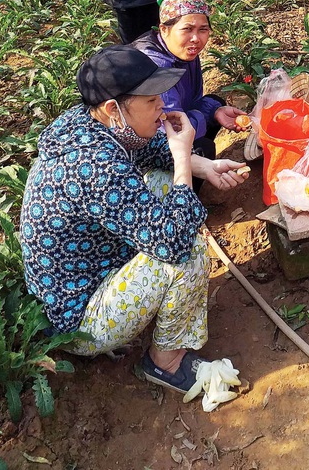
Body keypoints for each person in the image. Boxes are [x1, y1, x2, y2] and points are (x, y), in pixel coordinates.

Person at [20, 46, 249, 393]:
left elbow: (152, 150)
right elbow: (173, 239)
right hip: (79, 318)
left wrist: (207, 166)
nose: (162, 108)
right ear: (115, 108)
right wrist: (184, 158)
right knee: (186, 250)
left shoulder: (88, 122)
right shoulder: (93, 166)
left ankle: (152, 311)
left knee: (161, 179)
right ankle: (166, 363)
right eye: (151, 101)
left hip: (93, 264)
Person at [132, 0, 247, 183]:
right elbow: (171, 130)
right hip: (149, 149)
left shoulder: (184, 52)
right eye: (187, 29)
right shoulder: (156, 68)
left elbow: (191, 104)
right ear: (164, 29)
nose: (196, 39)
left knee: (215, 102)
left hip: (174, 125)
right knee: (205, 148)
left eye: (203, 30)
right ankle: (183, 198)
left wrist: (214, 111)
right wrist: (207, 115)